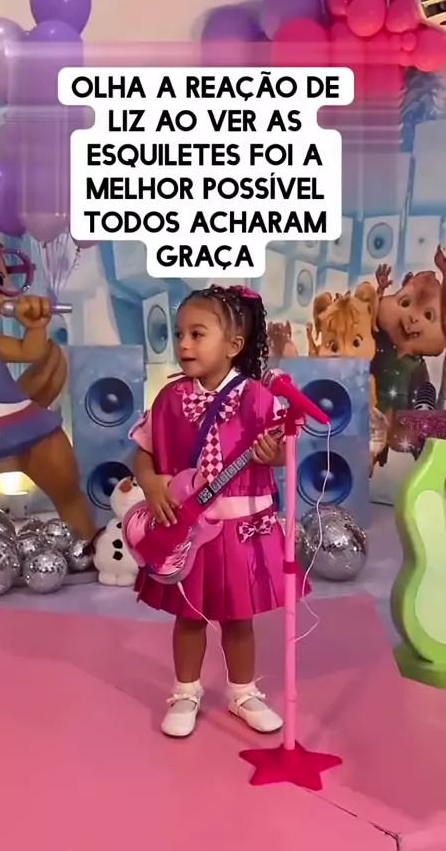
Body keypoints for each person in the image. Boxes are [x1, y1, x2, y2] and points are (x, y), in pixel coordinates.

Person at [130, 284, 309, 738]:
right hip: (187, 529)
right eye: (179, 334)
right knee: (189, 616)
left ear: (233, 345)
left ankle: (242, 692)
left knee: (238, 617)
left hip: (241, 528)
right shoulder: (169, 399)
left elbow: (280, 453)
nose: (184, 344)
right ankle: (185, 691)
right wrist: (151, 483)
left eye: (197, 334)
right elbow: (143, 451)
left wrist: (271, 453)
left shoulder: (259, 398)